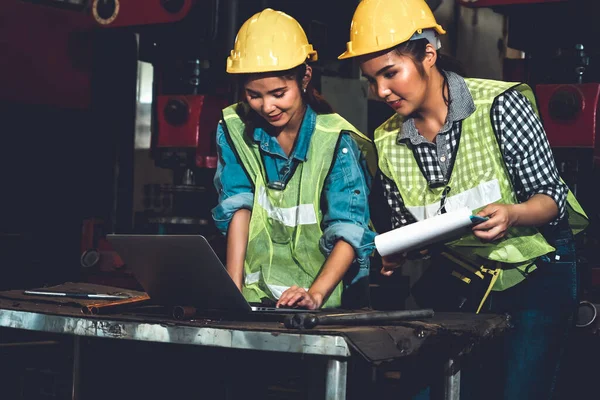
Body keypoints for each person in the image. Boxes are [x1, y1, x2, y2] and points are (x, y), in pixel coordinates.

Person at [339, 0, 588, 399]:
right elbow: (414, 227)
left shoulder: (500, 105)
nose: (381, 91)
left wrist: (513, 213)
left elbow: (551, 199)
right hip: (461, 278)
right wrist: (401, 250)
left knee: (519, 390)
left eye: (390, 74)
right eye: (372, 80)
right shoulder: (386, 139)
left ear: (428, 55)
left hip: (537, 270)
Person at [212, 8, 376, 311]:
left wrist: (314, 295)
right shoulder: (234, 129)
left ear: (305, 78)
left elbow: (349, 229)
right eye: (254, 95)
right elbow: (238, 207)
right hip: (258, 303)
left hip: (330, 305)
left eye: (278, 93)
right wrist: (232, 291)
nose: (267, 106)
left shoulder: (336, 141)